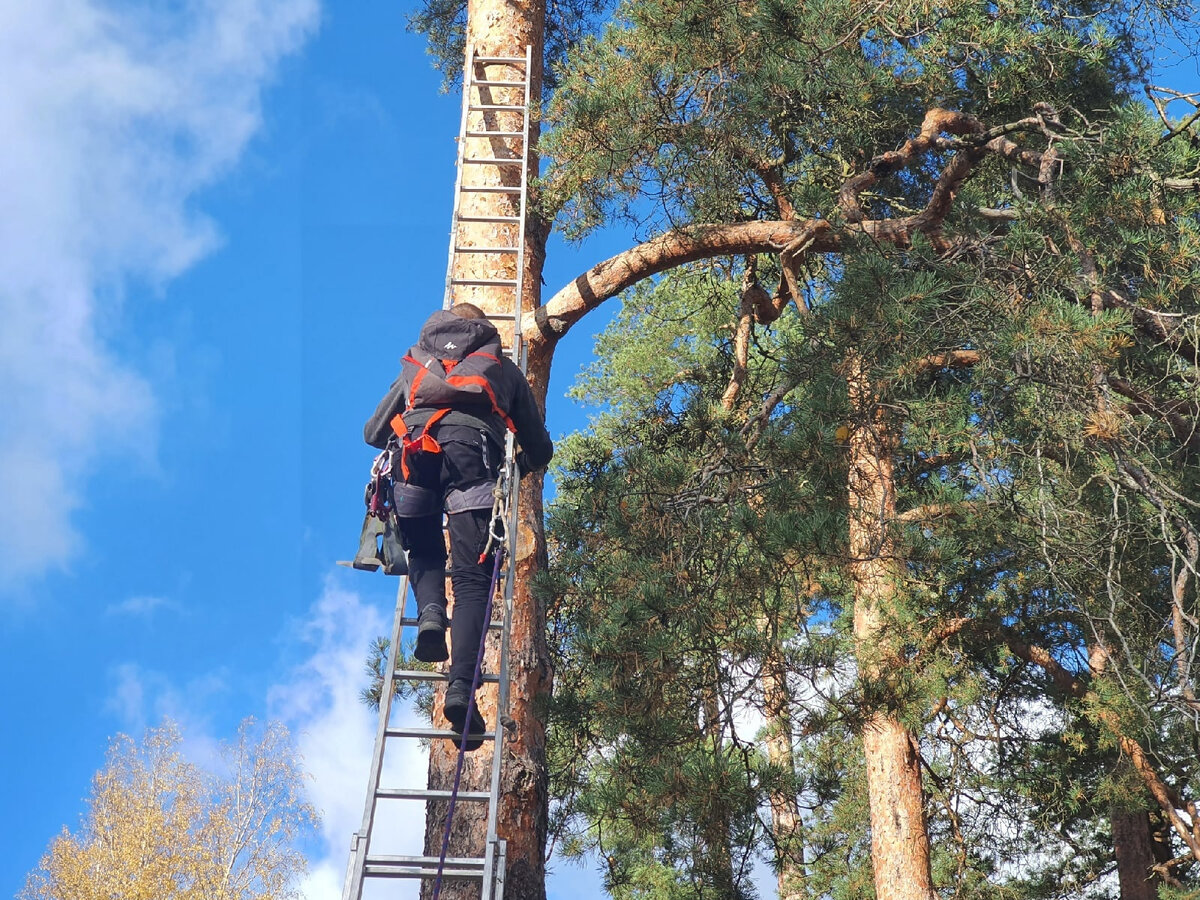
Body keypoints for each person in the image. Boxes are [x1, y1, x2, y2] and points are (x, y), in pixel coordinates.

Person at [364, 302, 553, 750]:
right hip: (475, 459)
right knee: (471, 583)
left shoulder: (417, 361)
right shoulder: (499, 367)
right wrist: (516, 469)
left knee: (425, 549)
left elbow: (373, 432)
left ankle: (430, 613)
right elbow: (541, 449)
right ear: (484, 332)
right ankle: (461, 692)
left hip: (413, 456)